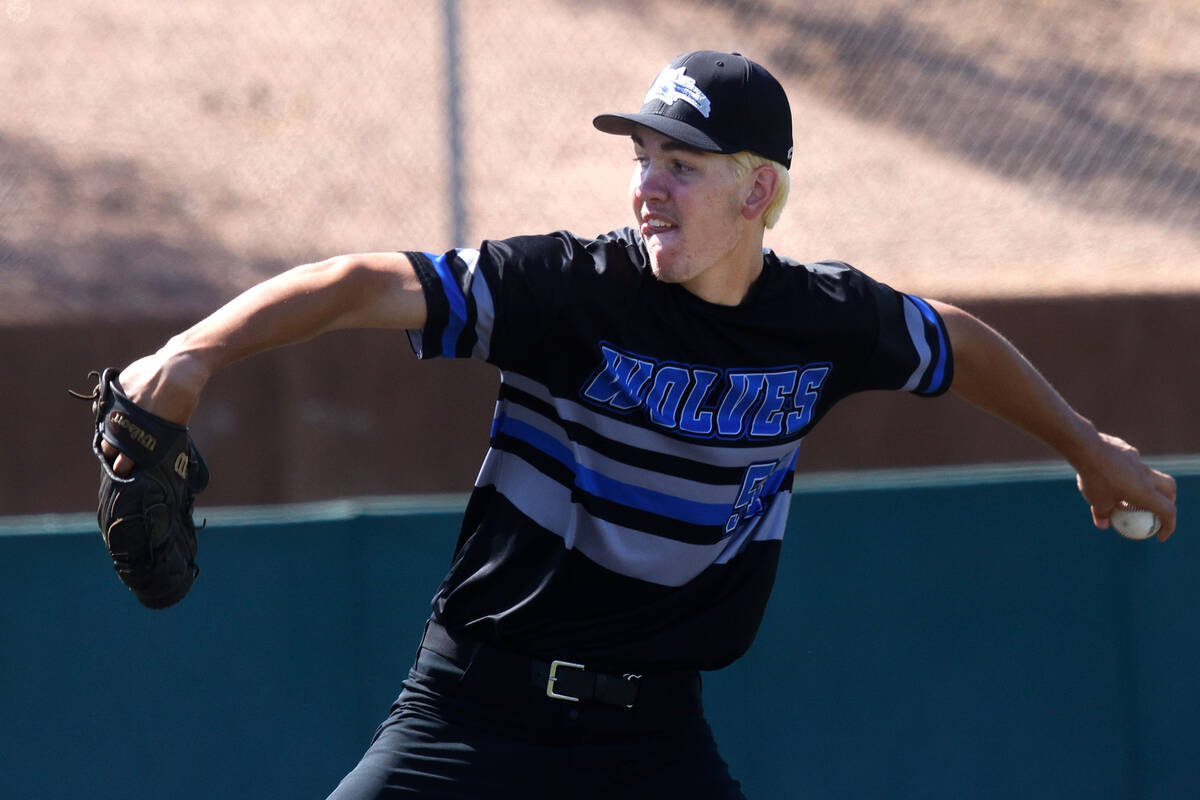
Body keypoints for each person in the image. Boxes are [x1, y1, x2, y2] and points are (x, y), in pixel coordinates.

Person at [103, 51, 1177, 799]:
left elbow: (952, 340)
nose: (648, 188)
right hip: (477, 713)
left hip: (651, 741)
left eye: (682, 165)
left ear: (759, 190)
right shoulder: (569, 290)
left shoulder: (823, 320)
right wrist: (193, 354)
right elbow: (357, 284)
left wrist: (1089, 446)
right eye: (641, 158)